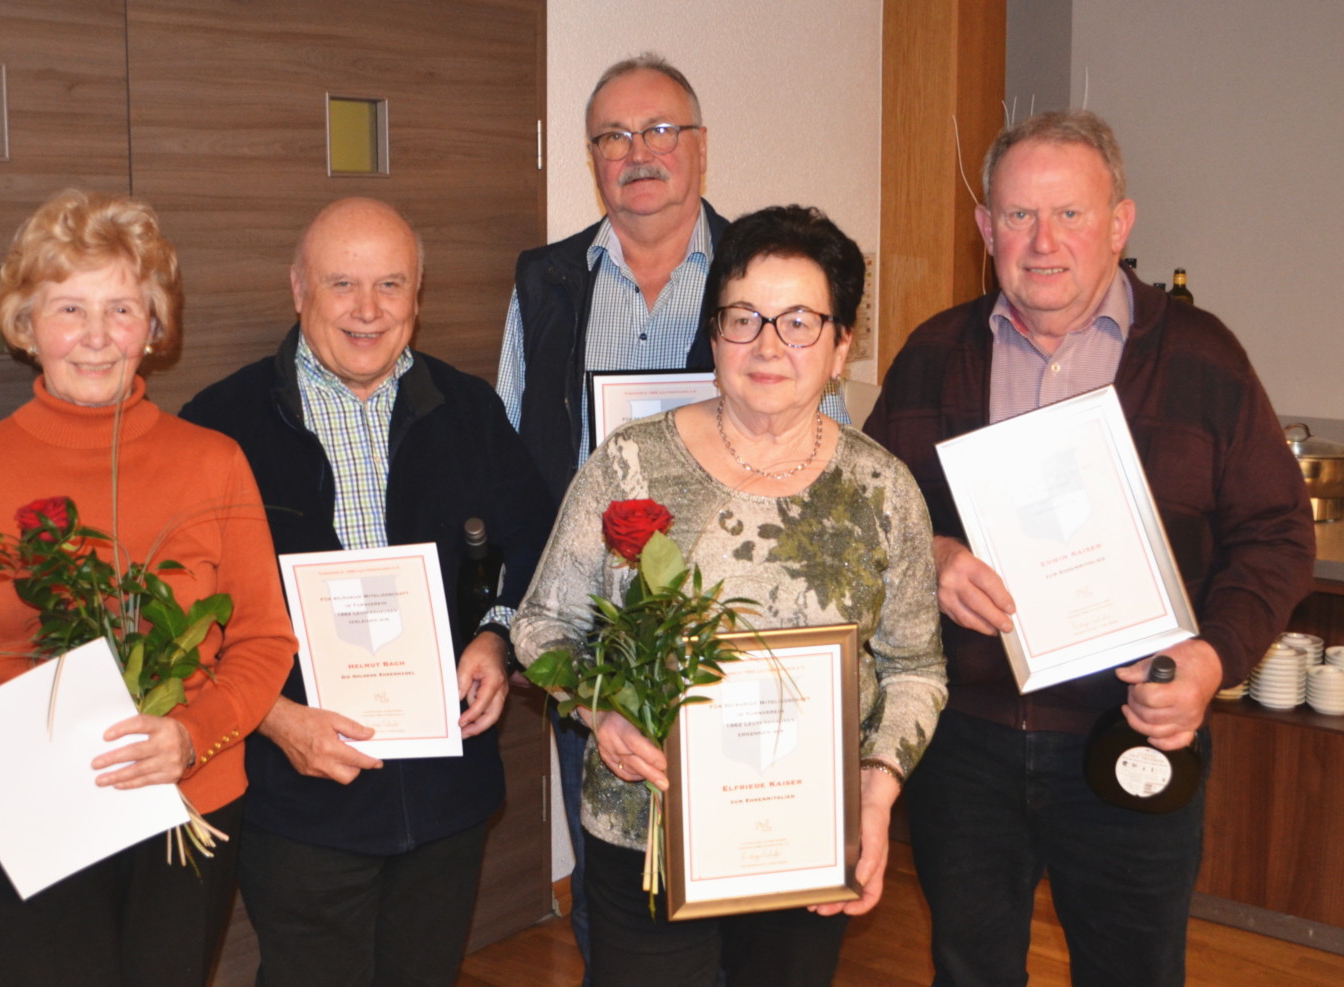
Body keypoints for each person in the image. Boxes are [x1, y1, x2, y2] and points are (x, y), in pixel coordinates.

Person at [863, 110, 1316, 985]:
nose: (1043, 242)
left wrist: (1213, 659)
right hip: (965, 743)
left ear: (1119, 224)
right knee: (969, 969)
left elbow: (1276, 532)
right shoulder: (932, 353)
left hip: (1134, 731)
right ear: (985, 227)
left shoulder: (1204, 358)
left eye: (1070, 213)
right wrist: (936, 555)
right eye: (1019, 215)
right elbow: (870, 513)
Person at [512, 204, 946, 987]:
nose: (768, 345)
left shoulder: (883, 488)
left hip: (805, 836)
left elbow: (916, 666)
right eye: (743, 318)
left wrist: (876, 791)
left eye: (800, 322)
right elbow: (542, 624)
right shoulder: (630, 465)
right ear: (714, 335)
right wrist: (600, 710)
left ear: (842, 344)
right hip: (644, 833)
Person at [495, 55, 855, 974]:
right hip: (606, 647)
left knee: (761, 893)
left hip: (752, 651)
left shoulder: (762, 271)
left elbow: (831, 456)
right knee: (617, 882)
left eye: (660, 130)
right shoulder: (545, 281)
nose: (638, 153)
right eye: (613, 137)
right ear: (591, 158)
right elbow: (515, 456)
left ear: (700, 146)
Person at [0, 189, 297, 985]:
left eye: (123, 309)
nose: (98, 336)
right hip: (27, 810)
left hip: (188, 804)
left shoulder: (214, 462)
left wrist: (191, 735)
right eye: (70, 308)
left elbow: (263, 639)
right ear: (27, 323)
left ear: (154, 326)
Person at [179, 197, 555, 987]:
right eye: (342, 283)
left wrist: (496, 638)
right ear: (298, 288)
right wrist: (274, 717)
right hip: (298, 794)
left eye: (390, 284)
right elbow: (184, 622)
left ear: (418, 294)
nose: (367, 309)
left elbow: (532, 544)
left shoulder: (470, 410)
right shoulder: (220, 426)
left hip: (446, 794)